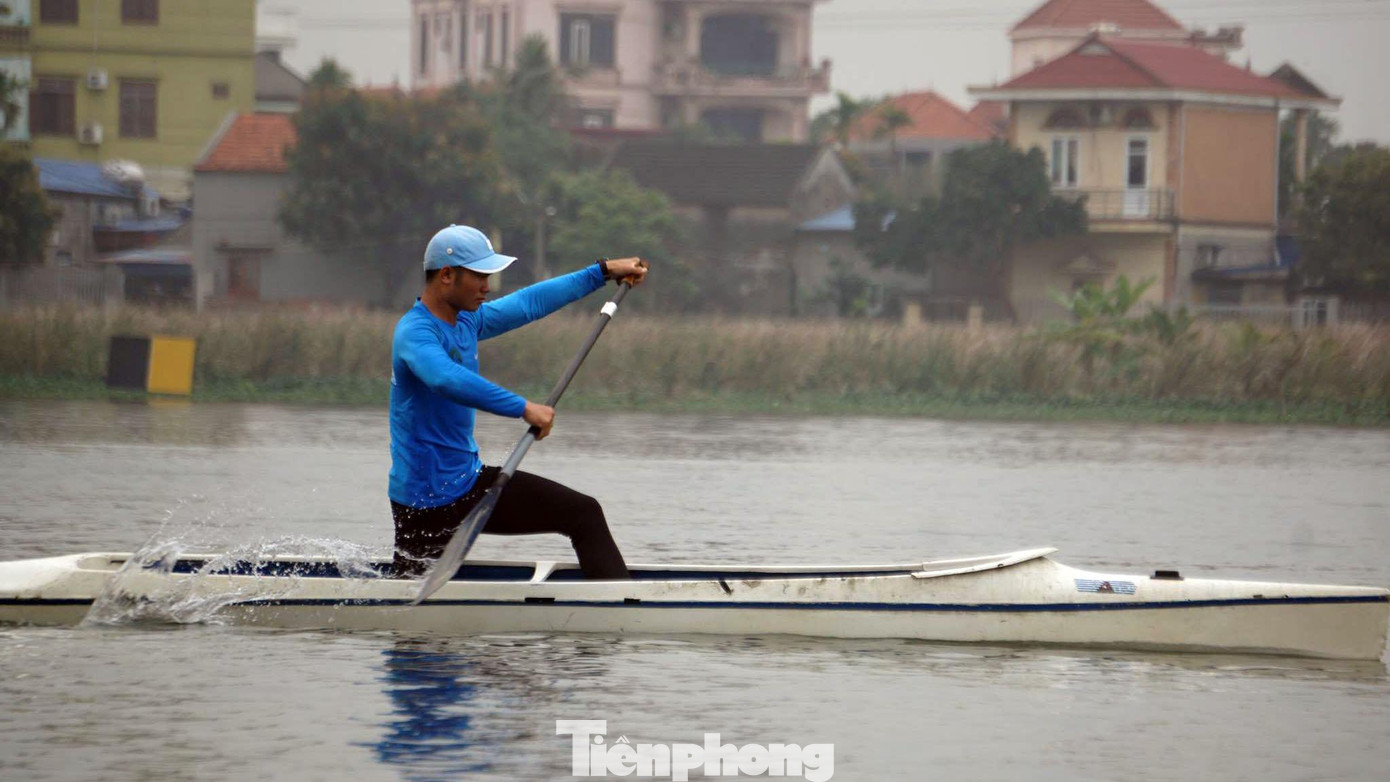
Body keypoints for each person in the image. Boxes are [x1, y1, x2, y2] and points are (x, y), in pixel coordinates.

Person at [388, 224, 646, 580]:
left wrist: (601, 272)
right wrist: (523, 408)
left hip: (468, 486)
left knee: (583, 513)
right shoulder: (415, 333)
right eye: (479, 276)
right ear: (447, 275)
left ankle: (620, 605)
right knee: (413, 612)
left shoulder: (467, 321)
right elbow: (445, 378)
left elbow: (529, 303)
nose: (486, 287)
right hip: (426, 503)